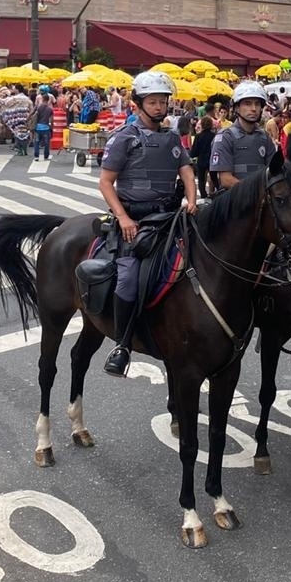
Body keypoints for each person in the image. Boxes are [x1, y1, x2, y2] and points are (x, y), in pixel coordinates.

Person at [99, 71, 197, 376]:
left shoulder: (171, 138)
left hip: (169, 216)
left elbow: (187, 171)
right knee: (129, 279)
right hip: (135, 221)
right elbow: (105, 182)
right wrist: (123, 217)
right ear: (137, 104)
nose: (158, 107)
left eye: (162, 102)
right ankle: (122, 344)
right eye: (152, 102)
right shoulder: (123, 138)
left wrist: (192, 200)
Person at [209, 80, 275, 189]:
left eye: (257, 104)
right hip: (234, 201)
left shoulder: (265, 137)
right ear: (236, 108)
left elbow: (274, 171)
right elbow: (225, 179)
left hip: (262, 201)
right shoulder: (225, 137)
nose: (254, 109)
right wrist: (254, 192)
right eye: (248, 103)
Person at [191, 115, 216, 198]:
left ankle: (203, 195)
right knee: (214, 178)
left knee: (201, 180)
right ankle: (217, 192)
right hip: (212, 160)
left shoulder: (198, 136)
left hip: (201, 160)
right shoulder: (214, 136)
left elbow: (194, 152)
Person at [32, 92, 54, 160]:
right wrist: (51, 126)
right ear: (48, 100)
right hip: (46, 128)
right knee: (47, 143)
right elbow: (51, 119)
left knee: (37, 142)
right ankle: (46, 156)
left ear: (43, 99)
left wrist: (28, 120)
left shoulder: (39, 108)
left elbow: (34, 115)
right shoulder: (50, 109)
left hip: (38, 127)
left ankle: (36, 156)